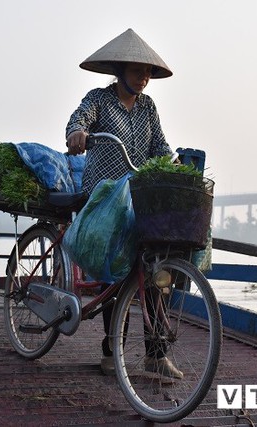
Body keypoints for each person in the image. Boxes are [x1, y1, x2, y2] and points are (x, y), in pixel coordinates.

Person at [66, 28, 183, 379]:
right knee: (115, 272)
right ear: (120, 71)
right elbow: (79, 119)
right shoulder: (98, 99)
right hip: (104, 197)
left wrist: (174, 162)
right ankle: (110, 349)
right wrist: (77, 134)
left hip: (138, 197)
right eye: (137, 72)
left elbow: (160, 146)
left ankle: (156, 353)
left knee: (155, 270)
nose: (144, 78)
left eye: (147, 73)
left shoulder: (148, 107)